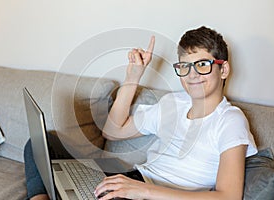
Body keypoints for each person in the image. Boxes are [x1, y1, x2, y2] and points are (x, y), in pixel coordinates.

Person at [24, 26, 257, 200]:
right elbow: (112, 131)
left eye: (202, 65)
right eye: (184, 66)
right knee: (42, 143)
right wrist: (133, 76)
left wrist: (142, 190)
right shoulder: (172, 103)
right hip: (135, 179)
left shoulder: (230, 120)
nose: (192, 75)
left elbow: (228, 196)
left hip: (159, 194)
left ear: (223, 69)